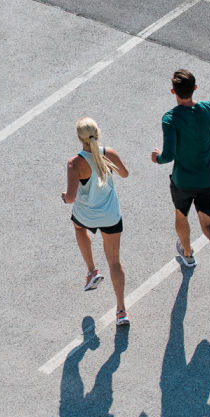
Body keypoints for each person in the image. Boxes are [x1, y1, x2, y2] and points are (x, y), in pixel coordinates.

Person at [150, 69, 210, 290]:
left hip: (183, 181)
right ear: (195, 88)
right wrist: (208, 137)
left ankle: (187, 255)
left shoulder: (170, 118)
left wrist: (157, 158)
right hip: (209, 180)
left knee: (181, 215)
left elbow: (168, 155)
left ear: (173, 91)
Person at [61, 117, 130, 326]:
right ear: (97, 133)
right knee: (115, 262)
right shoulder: (108, 153)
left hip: (87, 213)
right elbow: (125, 174)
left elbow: (71, 198)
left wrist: (64, 196)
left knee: (78, 227)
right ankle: (121, 310)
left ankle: (91, 271)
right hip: (110, 215)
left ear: (79, 138)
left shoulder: (75, 163)